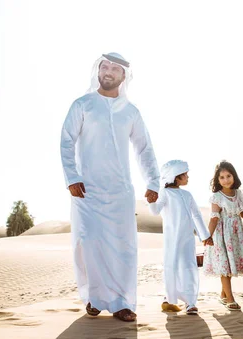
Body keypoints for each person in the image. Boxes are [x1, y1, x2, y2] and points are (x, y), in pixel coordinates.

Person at [60, 52, 160, 322]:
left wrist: (152, 181)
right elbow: (67, 141)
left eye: (115, 68)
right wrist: (71, 176)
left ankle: (123, 302)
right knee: (88, 244)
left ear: (123, 76)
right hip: (87, 189)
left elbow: (144, 148)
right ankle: (94, 297)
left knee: (123, 247)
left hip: (120, 192)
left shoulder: (131, 111)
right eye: (104, 66)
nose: (108, 71)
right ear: (98, 70)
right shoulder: (83, 104)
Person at [149, 160, 213, 315]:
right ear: (176, 177)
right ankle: (169, 298)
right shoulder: (164, 193)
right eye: (185, 174)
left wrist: (205, 235)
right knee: (172, 267)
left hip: (187, 240)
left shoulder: (187, 194)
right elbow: (155, 211)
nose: (188, 177)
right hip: (172, 239)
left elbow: (196, 216)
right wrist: (151, 201)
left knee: (188, 267)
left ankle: (190, 303)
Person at [203, 161, 243, 311]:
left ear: (234, 176)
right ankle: (230, 299)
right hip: (222, 234)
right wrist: (208, 236)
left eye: (228, 176)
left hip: (236, 233)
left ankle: (223, 295)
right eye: (222, 177)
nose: (226, 180)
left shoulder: (238, 193)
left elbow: (242, 213)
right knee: (225, 266)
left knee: (230, 265)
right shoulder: (217, 197)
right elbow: (214, 218)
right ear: (217, 180)